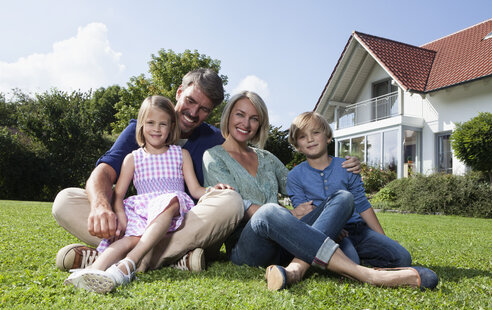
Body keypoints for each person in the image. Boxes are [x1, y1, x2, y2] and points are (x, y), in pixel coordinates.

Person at [202, 91, 438, 291]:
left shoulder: (267, 158)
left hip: (286, 242)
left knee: (343, 198)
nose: (246, 123)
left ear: (260, 124)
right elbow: (234, 205)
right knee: (269, 212)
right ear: (228, 116)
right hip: (248, 247)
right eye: (240, 115)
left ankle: (297, 267)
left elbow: (305, 178)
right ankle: (367, 274)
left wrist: (350, 166)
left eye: (254, 118)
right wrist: (290, 214)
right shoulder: (213, 156)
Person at [53, 68, 245, 273]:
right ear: (179, 92)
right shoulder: (139, 131)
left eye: (204, 109)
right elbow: (103, 173)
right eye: (190, 101)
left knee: (231, 201)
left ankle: (116, 258)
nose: (194, 113)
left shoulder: (215, 139)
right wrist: (101, 206)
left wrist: (215, 190)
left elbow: (241, 165)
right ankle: (174, 258)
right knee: (65, 200)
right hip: (139, 221)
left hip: (185, 223)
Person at [287, 111, 412, 268]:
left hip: (358, 229)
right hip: (327, 234)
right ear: (297, 145)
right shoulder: (294, 176)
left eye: (316, 132)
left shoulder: (347, 167)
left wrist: (383, 237)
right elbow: (305, 213)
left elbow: (362, 204)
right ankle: (354, 261)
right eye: (302, 136)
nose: (310, 139)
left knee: (403, 257)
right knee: (351, 260)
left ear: (328, 137)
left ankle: (361, 260)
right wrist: (332, 226)